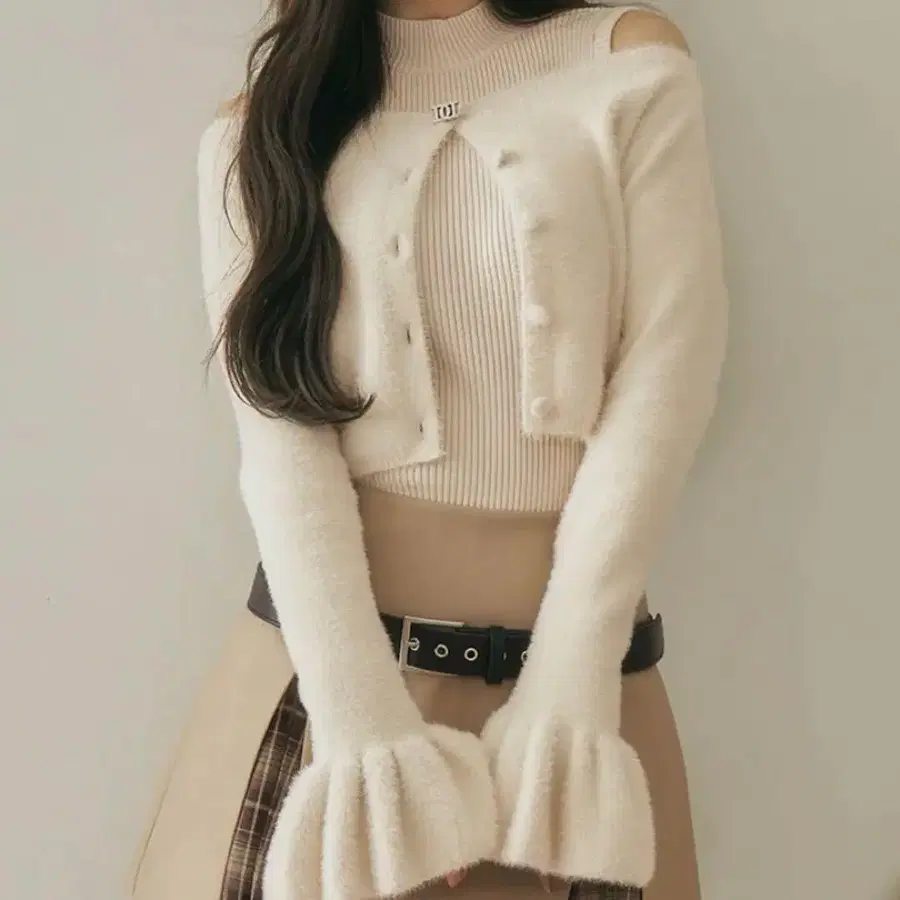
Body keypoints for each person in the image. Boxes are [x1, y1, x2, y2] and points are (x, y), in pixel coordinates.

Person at [130, 2, 728, 899]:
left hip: (580, 707)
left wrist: (568, 691)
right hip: (327, 706)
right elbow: (279, 445)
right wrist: (365, 742)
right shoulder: (264, 126)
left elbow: (671, 363)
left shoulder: (624, 54)